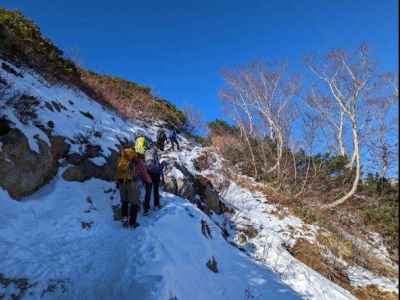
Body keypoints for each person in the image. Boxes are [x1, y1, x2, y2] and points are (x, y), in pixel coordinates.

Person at [116, 144, 152, 228]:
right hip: (132, 183)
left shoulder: (123, 158)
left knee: (124, 202)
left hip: (121, 182)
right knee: (134, 203)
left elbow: (119, 170)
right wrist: (149, 181)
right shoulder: (138, 161)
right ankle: (132, 223)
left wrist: (118, 182)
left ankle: (124, 220)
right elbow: (144, 174)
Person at [143, 144, 162, 214]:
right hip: (153, 174)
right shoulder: (151, 153)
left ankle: (147, 207)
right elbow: (150, 165)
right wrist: (158, 168)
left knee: (149, 191)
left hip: (149, 174)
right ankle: (153, 206)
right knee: (153, 190)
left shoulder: (150, 153)